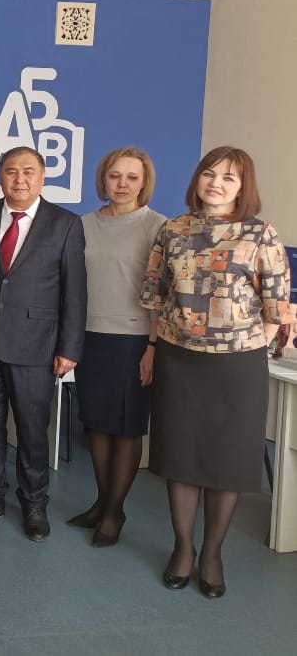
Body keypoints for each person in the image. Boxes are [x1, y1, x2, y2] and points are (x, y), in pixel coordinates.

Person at [141, 146, 289, 598]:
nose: (217, 183)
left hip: (238, 365)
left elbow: (277, 304)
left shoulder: (260, 233)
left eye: (229, 177)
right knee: (181, 454)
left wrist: (254, 345)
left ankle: (212, 553)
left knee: (228, 458)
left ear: (243, 187)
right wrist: (153, 347)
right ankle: (183, 548)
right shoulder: (173, 229)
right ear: (197, 179)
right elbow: (156, 294)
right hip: (179, 357)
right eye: (210, 174)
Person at [0, 145, 87, 541]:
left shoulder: (65, 224)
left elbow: (75, 292)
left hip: (36, 344)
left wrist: (69, 348)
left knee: (31, 429)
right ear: (0, 177)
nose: (19, 179)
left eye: (28, 171)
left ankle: (34, 502)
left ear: (42, 177)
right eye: (11, 171)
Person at [67, 148, 166, 547]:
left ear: (144, 183)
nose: (122, 184)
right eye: (115, 176)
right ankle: (101, 502)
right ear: (103, 179)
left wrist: (153, 346)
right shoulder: (81, 225)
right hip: (89, 335)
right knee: (96, 423)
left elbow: (162, 293)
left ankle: (115, 511)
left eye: (132, 177)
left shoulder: (158, 227)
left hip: (135, 340)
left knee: (126, 426)